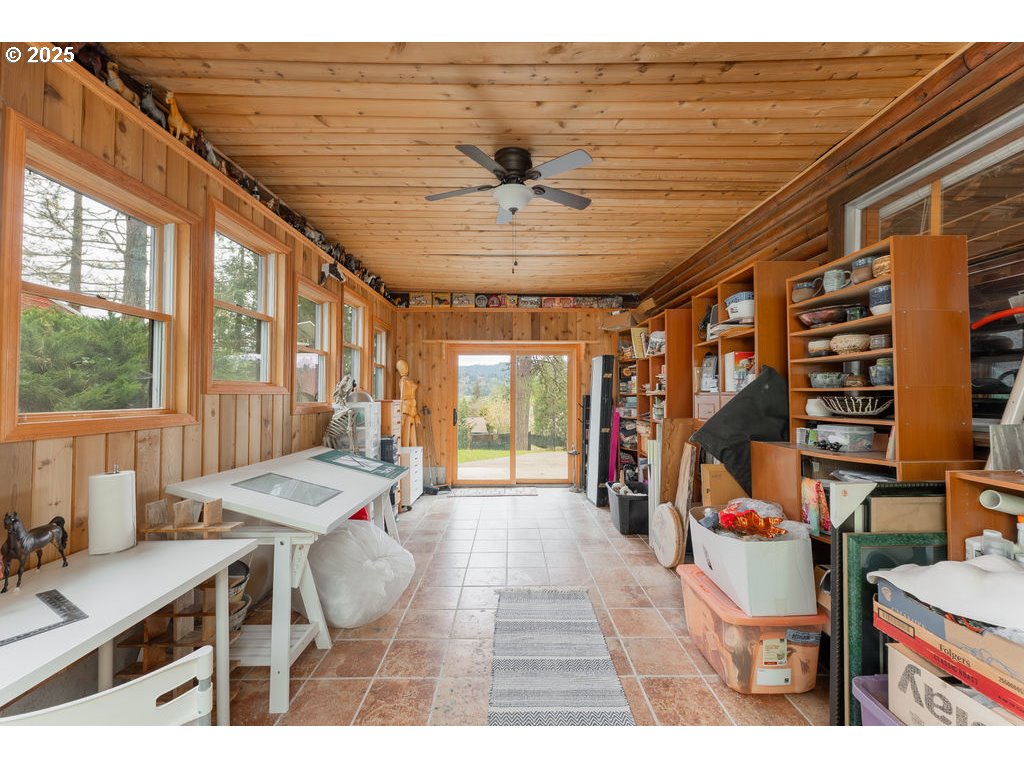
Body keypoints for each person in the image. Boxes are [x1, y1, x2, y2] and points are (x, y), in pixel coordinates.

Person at [397, 358, 421, 446]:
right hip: (409, 410)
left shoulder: (405, 381)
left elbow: (403, 397)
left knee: (409, 439)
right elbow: (403, 397)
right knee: (408, 438)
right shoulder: (406, 381)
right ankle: (409, 458)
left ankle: (412, 457)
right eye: (403, 367)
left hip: (409, 411)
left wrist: (415, 414)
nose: (405, 368)